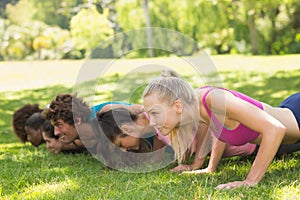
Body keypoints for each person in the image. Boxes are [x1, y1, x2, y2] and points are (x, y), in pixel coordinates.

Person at [142, 69, 300, 189]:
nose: (152, 122)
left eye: (155, 113)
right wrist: (204, 166)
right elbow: (218, 130)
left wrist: (250, 180)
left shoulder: (214, 99)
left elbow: (275, 129)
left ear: (177, 106)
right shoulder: (197, 108)